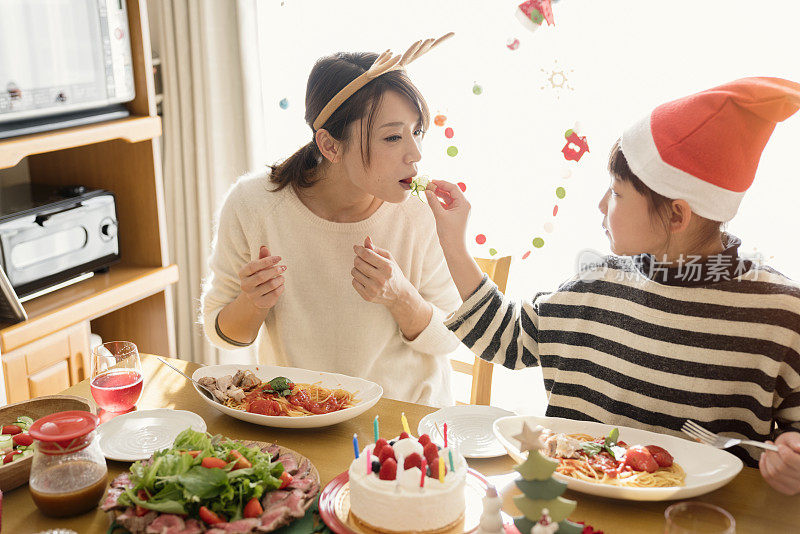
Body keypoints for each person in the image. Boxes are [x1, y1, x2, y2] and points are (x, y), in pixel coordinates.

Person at [424, 77, 800, 494]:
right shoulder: (597, 284)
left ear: (677, 215)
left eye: (617, 193)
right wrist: (453, 242)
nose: (601, 205)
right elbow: (508, 339)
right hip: (571, 512)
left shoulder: (780, 317)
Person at [200, 35, 462, 407]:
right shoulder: (253, 204)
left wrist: (401, 297)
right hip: (297, 418)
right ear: (330, 146)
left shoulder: (422, 212)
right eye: (392, 137)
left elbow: (453, 337)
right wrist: (253, 302)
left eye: (416, 131)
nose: (415, 153)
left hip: (404, 430)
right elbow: (223, 335)